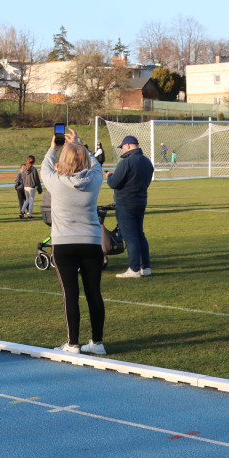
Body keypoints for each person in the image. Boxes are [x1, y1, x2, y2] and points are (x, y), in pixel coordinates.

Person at [40, 127, 107, 355]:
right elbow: (96, 164)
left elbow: (45, 168)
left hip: (64, 244)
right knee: (93, 293)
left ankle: (73, 344)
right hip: (91, 243)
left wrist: (53, 148)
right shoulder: (95, 179)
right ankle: (97, 343)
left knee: (70, 294)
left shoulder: (56, 182)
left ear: (64, 160)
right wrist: (80, 145)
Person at [106, 135, 155, 278]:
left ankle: (134, 269)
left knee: (130, 237)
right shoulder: (147, 162)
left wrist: (109, 176)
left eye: (122, 147)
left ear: (127, 146)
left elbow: (114, 183)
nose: (122, 150)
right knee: (140, 235)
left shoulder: (125, 162)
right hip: (141, 201)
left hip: (125, 203)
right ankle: (145, 267)